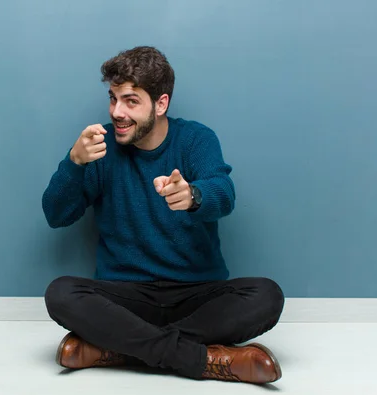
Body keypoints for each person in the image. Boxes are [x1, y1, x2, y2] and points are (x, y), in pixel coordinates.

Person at [41, 46, 285, 384]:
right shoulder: (98, 146)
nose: (117, 112)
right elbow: (56, 214)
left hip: (196, 294)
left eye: (130, 101)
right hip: (126, 297)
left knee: (267, 295)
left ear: (161, 103)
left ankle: (118, 348)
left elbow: (223, 193)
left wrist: (193, 196)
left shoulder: (196, 139)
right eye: (113, 99)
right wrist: (74, 163)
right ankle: (204, 359)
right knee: (60, 293)